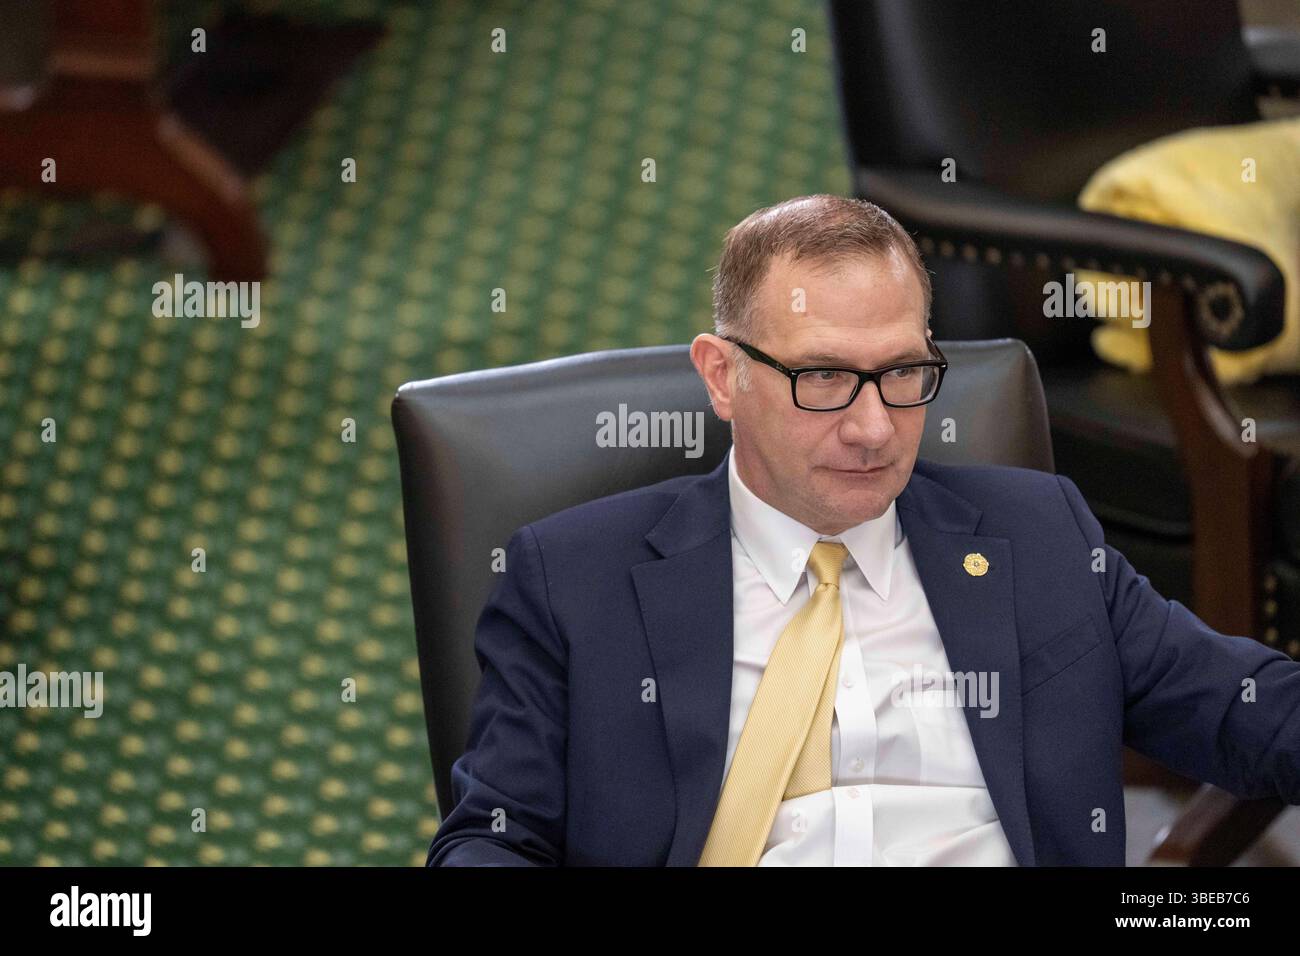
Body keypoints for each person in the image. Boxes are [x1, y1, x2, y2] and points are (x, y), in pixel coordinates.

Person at [427, 194, 1300, 866]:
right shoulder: (573, 579)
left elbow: (1245, 710)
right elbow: (496, 838)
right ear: (723, 377)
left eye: (903, 373)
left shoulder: (1040, 537)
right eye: (823, 379)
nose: (875, 428)